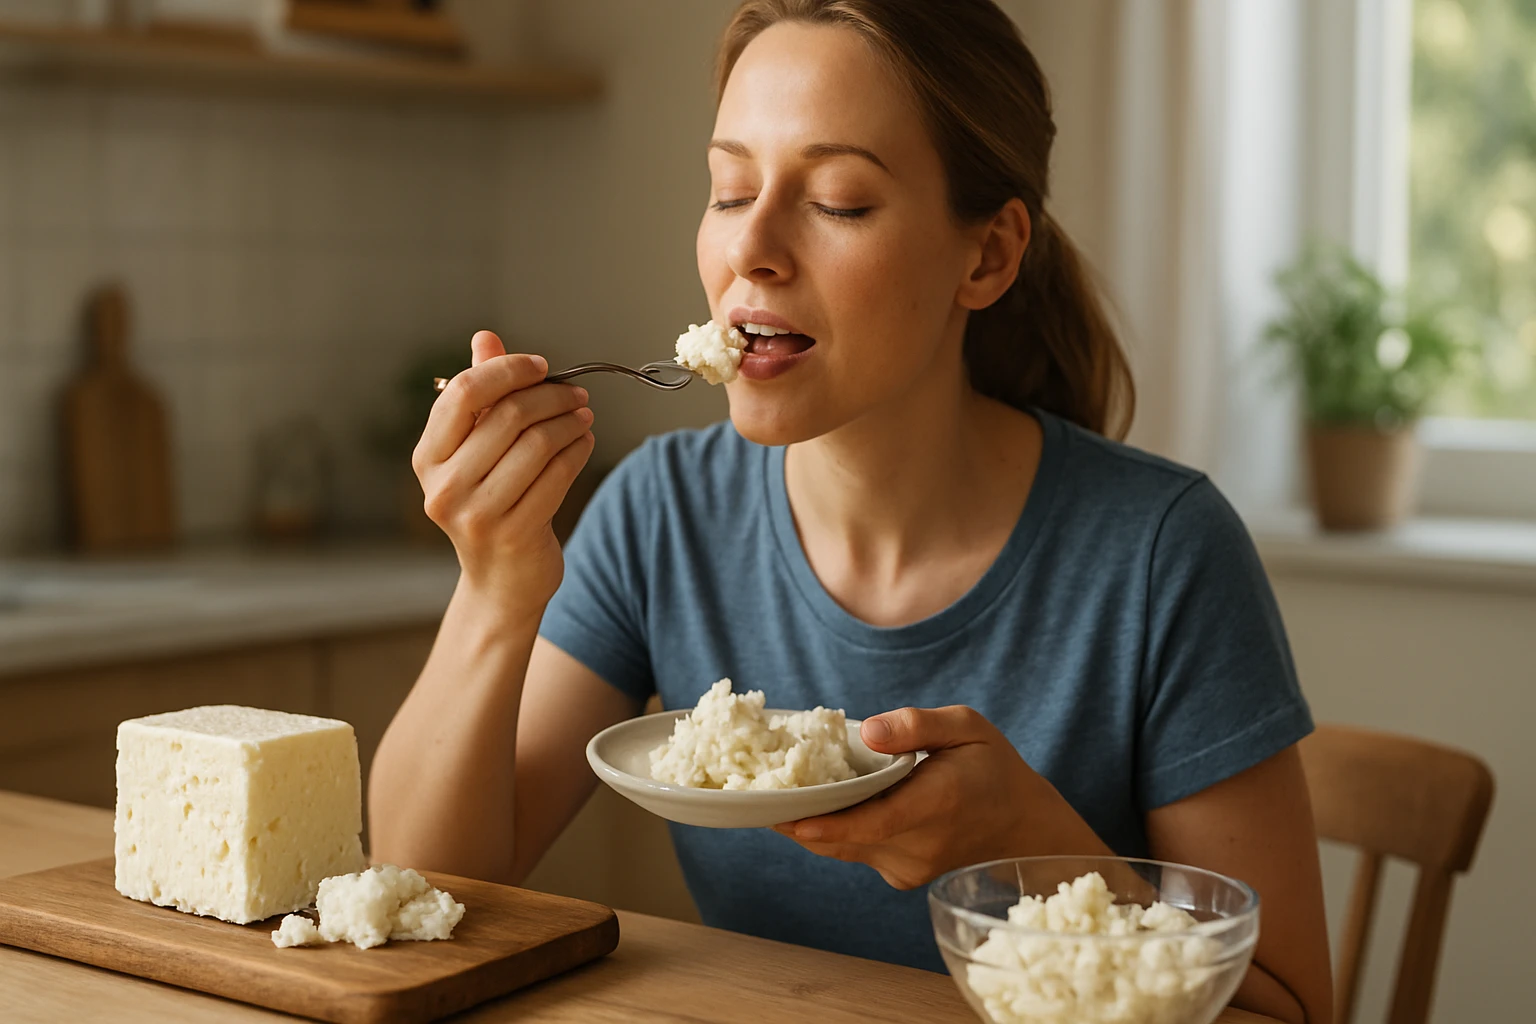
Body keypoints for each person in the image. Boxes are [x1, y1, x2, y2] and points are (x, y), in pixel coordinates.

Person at [370, 2, 1332, 1020]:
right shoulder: (663, 514)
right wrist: (495, 586)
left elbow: (1286, 1010)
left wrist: (1026, 848)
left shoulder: (1161, 555)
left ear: (989, 256)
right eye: (731, 188)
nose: (754, 247)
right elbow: (421, 890)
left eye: (837, 201)